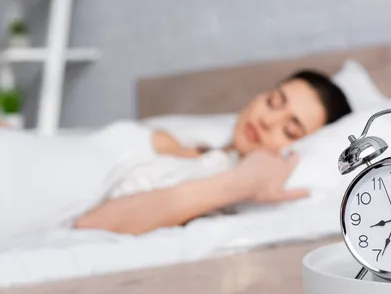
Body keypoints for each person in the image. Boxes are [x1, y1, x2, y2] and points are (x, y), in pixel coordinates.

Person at [0, 70, 351, 238]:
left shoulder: (216, 189)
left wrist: (242, 182)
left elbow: (96, 223)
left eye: (291, 129)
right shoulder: (183, 146)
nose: (268, 119)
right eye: (274, 101)